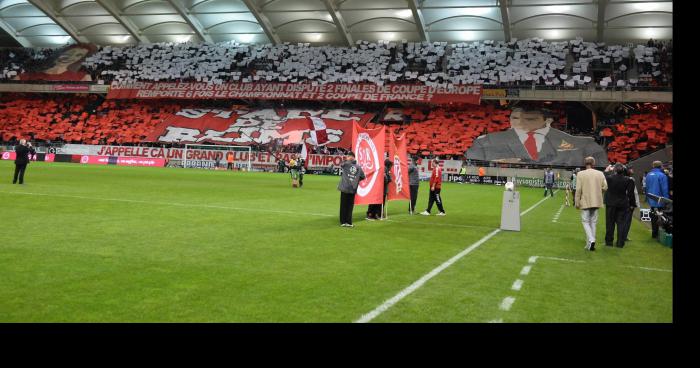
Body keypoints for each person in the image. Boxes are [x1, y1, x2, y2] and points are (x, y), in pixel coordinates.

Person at [466, 106, 609, 167]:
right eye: (516, 118)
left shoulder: (582, 144)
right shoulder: (485, 141)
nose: (521, 123)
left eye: (530, 119)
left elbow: (601, 164)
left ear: (547, 121)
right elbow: (473, 156)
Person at [575, 156, 608, 251]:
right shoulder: (600, 173)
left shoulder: (580, 174)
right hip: (596, 201)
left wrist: (577, 202)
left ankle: (591, 239)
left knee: (585, 221)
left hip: (585, 201)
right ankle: (589, 244)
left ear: (585, 163)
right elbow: (605, 187)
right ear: (593, 163)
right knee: (593, 222)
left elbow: (578, 190)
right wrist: (598, 192)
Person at [604, 164, 636, 248]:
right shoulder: (628, 180)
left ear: (614, 170)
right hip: (622, 203)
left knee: (610, 223)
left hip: (611, 203)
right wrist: (632, 204)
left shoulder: (609, 178)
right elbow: (630, 194)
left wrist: (607, 170)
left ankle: (609, 242)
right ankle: (620, 243)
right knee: (621, 223)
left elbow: (605, 175)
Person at [338, 152, 365, 227]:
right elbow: (363, 176)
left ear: (350, 157)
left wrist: (347, 160)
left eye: (348, 156)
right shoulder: (358, 167)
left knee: (343, 205)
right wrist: (355, 180)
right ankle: (349, 222)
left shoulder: (346, 164)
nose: (347, 157)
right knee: (350, 206)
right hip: (352, 188)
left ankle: (343, 221)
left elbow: (341, 164)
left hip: (345, 187)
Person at [645, 161, 669, 239]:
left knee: (653, 216)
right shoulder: (662, 175)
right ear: (661, 166)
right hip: (660, 200)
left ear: (653, 166)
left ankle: (654, 233)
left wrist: (647, 198)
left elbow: (646, 188)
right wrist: (667, 201)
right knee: (663, 217)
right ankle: (663, 235)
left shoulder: (648, 175)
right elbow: (664, 189)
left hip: (651, 199)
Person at [619, 166, 640, 242]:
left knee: (623, 220)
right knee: (627, 221)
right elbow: (632, 193)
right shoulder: (630, 180)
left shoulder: (623, 179)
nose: (632, 170)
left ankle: (623, 236)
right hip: (628, 203)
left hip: (622, 203)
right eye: (631, 169)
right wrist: (633, 204)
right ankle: (623, 236)